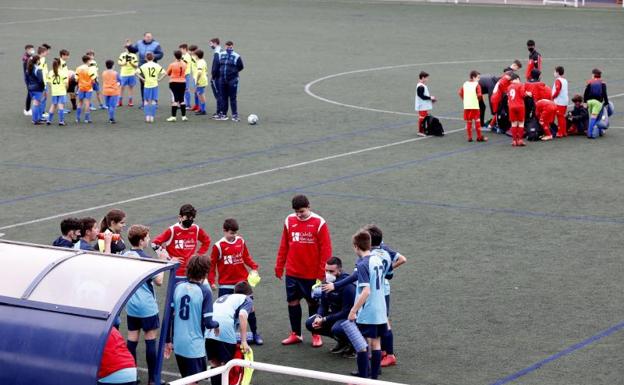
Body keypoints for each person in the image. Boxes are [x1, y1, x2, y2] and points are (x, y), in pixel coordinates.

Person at [275, 194, 332, 347]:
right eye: (296, 212)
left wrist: (322, 274)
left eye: (302, 211)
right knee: (292, 302)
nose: (299, 215)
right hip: (293, 272)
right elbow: (284, 245)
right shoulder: (289, 220)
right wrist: (279, 266)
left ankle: (316, 334)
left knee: (312, 302)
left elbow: (326, 251)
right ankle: (296, 334)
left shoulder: (319, 223)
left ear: (309, 207)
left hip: (311, 274)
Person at [208, 218, 263, 345]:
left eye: (235, 233)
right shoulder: (218, 246)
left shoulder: (240, 241)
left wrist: (254, 267)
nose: (234, 236)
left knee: (251, 309)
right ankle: (224, 336)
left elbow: (246, 257)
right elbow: (212, 265)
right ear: (225, 231)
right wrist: (211, 281)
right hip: (226, 284)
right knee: (225, 312)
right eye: (231, 233)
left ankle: (255, 333)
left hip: (242, 283)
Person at [165, 256, 219, 383]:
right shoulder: (205, 291)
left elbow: (169, 317)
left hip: (178, 344)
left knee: (186, 379)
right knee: (193, 381)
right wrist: (217, 324)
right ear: (205, 272)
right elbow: (208, 323)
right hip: (194, 346)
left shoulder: (178, 287)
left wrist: (167, 340)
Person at [123, 225, 164, 385]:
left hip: (132, 306)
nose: (149, 239)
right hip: (147, 307)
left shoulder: (125, 254)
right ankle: (153, 379)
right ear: (141, 241)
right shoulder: (146, 259)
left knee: (132, 340)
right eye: (147, 237)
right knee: (150, 340)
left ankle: (132, 375)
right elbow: (159, 281)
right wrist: (161, 261)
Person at [348, 230, 387, 380]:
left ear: (356, 246)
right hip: (380, 309)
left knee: (361, 345)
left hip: (368, 311)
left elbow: (366, 291)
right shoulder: (377, 259)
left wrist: (353, 310)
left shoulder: (363, 264)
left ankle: (362, 379)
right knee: (376, 343)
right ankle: (374, 380)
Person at [205, 281, 253, 385]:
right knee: (227, 365)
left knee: (215, 363)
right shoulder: (247, 299)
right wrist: (244, 341)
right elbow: (242, 315)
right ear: (249, 294)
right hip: (225, 331)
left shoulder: (225, 297)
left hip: (209, 331)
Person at [305, 257, 355, 356]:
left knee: (337, 328)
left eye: (331, 271)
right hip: (336, 315)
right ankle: (343, 342)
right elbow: (323, 305)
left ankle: (354, 346)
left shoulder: (348, 286)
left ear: (339, 270)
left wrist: (324, 319)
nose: (328, 274)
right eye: (326, 270)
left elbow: (346, 312)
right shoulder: (326, 281)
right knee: (310, 323)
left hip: (351, 317)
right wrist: (319, 316)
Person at [152, 204, 211, 283]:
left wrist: (198, 255)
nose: (190, 220)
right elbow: (154, 244)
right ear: (180, 217)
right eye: (187, 218)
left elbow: (206, 241)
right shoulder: (172, 230)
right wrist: (169, 259)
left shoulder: (196, 229)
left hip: (192, 273)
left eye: (192, 218)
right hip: (177, 273)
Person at [479, 60, 522, 128]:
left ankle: (482, 124)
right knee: (486, 107)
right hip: (480, 87)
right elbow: (493, 99)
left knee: (484, 107)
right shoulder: (496, 83)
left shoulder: (506, 75)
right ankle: (483, 125)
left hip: (481, 84)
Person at [126, 33, 164, 105]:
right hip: (142, 67)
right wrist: (129, 46)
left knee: (153, 84)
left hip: (152, 66)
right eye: (147, 37)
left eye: (150, 37)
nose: (149, 38)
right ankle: (144, 101)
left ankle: (154, 101)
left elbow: (161, 54)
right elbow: (134, 50)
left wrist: (152, 56)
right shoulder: (139, 43)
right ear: (144, 37)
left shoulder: (156, 44)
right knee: (143, 84)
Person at [212, 41, 244, 121]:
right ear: (225, 46)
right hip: (222, 80)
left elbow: (241, 66)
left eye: (230, 46)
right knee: (223, 97)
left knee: (233, 98)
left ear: (232, 46)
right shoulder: (221, 54)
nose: (229, 47)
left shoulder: (236, 56)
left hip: (232, 80)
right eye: (227, 46)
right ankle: (224, 114)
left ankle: (234, 115)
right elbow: (218, 65)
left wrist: (233, 72)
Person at [136, 52, 165, 123]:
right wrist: (159, 79)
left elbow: (136, 73)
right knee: (153, 101)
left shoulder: (144, 66)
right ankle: (152, 117)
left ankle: (147, 117)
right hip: (154, 85)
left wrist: (142, 79)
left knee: (146, 101)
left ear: (146, 58)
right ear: (153, 58)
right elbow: (165, 73)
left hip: (147, 85)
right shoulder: (156, 65)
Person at [459, 70, 487, 142]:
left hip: (467, 105)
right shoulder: (477, 85)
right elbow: (479, 94)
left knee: (469, 121)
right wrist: (477, 99)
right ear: (473, 77)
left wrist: (465, 99)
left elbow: (460, 92)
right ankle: (479, 137)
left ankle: (470, 137)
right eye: (478, 77)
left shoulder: (465, 84)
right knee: (477, 120)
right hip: (474, 105)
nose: (479, 79)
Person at [584, 68, 609, 139]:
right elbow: (604, 94)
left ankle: (592, 133)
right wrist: (606, 103)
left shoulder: (589, 82)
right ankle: (591, 133)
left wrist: (585, 102)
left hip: (589, 102)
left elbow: (585, 93)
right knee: (598, 117)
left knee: (592, 117)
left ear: (593, 75)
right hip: (598, 103)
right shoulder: (602, 83)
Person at [507, 74, 530, 147]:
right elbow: (523, 95)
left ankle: (514, 141)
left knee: (513, 124)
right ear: (517, 79)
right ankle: (520, 140)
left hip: (511, 107)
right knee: (521, 123)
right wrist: (528, 94)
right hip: (520, 106)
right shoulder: (520, 85)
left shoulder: (509, 87)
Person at [166, 50, 188, 122]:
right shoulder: (185, 64)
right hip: (183, 82)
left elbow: (168, 73)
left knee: (175, 99)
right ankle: (184, 116)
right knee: (182, 99)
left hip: (174, 83)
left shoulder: (172, 64)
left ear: (175, 56)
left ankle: (173, 116)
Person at [45, 58, 68, 126]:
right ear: (60, 64)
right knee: (61, 106)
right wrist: (65, 89)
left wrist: (53, 87)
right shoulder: (62, 72)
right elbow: (66, 83)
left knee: (53, 105)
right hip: (61, 91)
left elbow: (48, 82)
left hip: (54, 92)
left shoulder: (50, 72)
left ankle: (49, 120)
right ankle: (61, 121)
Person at [75, 54, 96, 124]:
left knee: (80, 102)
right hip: (88, 88)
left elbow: (76, 79)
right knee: (87, 102)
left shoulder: (78, 68)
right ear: (88, 61)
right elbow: (93, 80)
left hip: (81, 87)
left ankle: (77, 118)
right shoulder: (89, 69)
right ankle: (87, 119)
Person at [25, 55, 45, 125]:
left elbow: (26, 80)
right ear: (37, 61)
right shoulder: (38, 69)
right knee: (36, 104)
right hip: (37, 89)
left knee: (36, 103)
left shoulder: (28, 69)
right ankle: (35, 120)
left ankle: (38, 118)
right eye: (39, 60)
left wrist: (28, 86)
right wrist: (42, 88)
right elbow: (41, 80)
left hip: (30, 88)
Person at [415, 71, 436, 137]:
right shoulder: (421, 86)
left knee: (423, 117)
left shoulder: (421, 85)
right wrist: (430, 98)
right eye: (426, 78)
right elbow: (421, 96)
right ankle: (420, 131)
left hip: (423, 105)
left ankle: (422, 130)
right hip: (422, 105)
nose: (427, 79)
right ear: (423, 78)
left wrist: (430, 99)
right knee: (422, 118)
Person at [552, 66, 569, 138]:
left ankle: (560, 132)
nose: (554, 73)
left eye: (554, 72)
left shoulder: (558, 80)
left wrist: (552, 97)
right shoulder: (565, 80)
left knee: (560, 117)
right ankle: (564, 132)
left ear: (557, 72)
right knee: (562, 116)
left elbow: (557, 91)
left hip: (559, 101)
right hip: (564, 101)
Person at [208, 38, 223, 119]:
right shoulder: (221, 50)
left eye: (211, 44)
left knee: (218, 94)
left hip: (217, 76)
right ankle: (221, 112)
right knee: (221, 94)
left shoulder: (217, 52)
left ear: (215, 43)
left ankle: (220, 112)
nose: (210, 45)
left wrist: (213, 76)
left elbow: (216, 65)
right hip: (221, 75)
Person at [179, 44, 195, 110]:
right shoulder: (183, 55)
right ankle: (182, 103)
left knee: (186, 90)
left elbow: (183, 65)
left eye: (181, 49)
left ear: (184, 49)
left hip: (186, 75)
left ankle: (188, 105)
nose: (180, 51)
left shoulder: (187, 56)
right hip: (181, 75)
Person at [193, 49, 209, 115]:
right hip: (203, 79)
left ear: (197, 55)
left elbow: (199, 72)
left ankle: (203, 110)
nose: (194, 56)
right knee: (199, 94)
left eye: (195, 55)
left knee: (201, 95)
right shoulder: (203, 61)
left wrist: (197, 80)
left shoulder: (200, 62)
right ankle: (201, 109)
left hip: (201, 81)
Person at [59, 49, 73, 114]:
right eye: (66, 55)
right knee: (62, 95)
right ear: (62, 55)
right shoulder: (60, 62)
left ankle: (62, 108)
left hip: (65, 80)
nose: (68, 57)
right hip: (62, 81)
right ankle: (61, 109)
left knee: (63, 95)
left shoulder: (63, 62)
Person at [22, 44, 35, 116]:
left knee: (30, 94)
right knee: (30, 94)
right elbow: (27, 70)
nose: (33, 51)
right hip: (29, 79)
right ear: (27, 50)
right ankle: (27, 110)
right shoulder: (26, 59)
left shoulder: (29, 57)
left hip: (29, 78)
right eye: (31, 49)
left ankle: (28, 109)